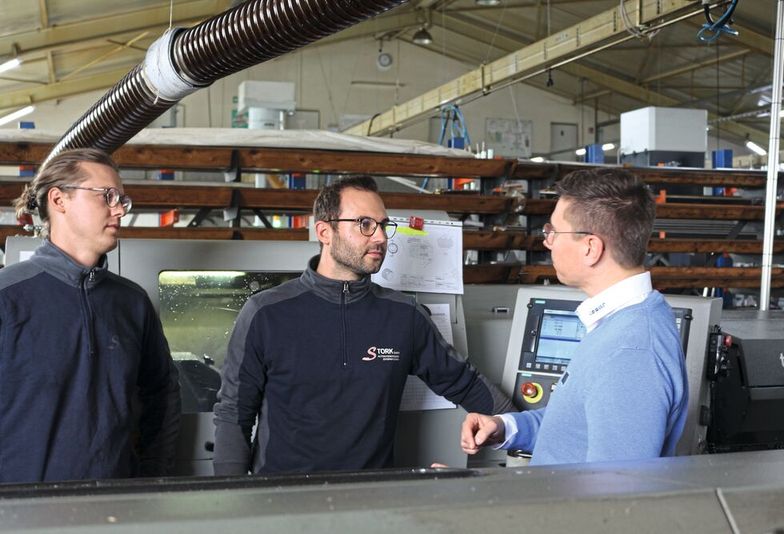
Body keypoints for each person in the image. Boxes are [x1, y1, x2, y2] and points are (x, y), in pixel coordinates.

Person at [213, 175, 512, 475]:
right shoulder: (266, 313)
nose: (381, 237)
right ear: (325, 231)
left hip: (369, 500)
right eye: (365, 224)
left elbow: (465, 383)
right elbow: (233, 414)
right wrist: (232, 499)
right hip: (282, 500)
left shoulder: (403, 315)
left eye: (383, 225)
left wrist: (527, 433)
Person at [461, 168, 687, 466]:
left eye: (554, 231)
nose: (548, 242)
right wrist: (507, 427)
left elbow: (617, 495)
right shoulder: (619, 324)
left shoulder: (630, 352)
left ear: (591, 248)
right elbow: (571, 429)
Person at [2, 148, 181, 483]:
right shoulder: (8, 297)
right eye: (107, 196)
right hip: (20, 513)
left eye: (122, 200)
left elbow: (162, 393)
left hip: (114, 508)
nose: (119, 210)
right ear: (59, 200)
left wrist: (152, 477)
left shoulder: (131, 302)